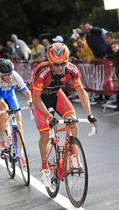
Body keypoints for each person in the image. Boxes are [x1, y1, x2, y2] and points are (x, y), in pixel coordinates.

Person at [31, 42, 97, 187]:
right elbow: (35, 98)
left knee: (72, 120)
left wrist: (89, 115)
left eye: (63, 64)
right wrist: (49, 117)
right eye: (56, 64)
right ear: (50, 62)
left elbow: (81, 92)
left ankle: (73, 152)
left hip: (56, 95)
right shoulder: (42, 71)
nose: (60, 68)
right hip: (40, 100)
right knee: (44, 135)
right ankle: (45, 168)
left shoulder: (72, 69)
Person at [0, 58, 32, 162]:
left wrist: (31, 101)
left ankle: (20, 153)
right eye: (5, 75)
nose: (8, 77)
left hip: (10, 95)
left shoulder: (15, 75)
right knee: (4, 108)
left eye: (9, 74)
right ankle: (2, 141)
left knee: (19, 124)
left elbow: (26, 91)